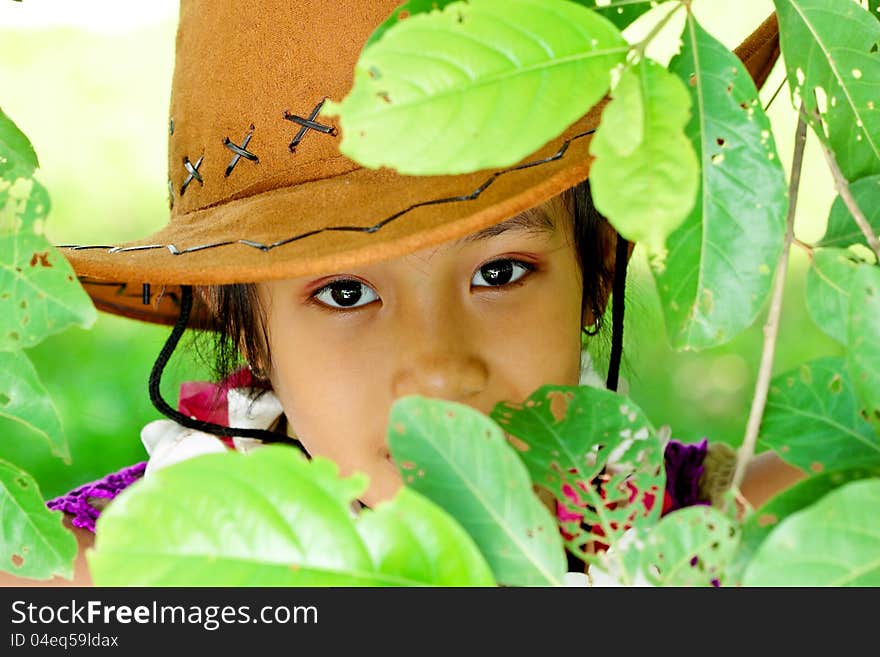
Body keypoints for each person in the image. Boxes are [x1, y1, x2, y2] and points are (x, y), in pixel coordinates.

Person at [6, 0, 804, 586]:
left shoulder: (717, 539)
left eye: (499, 273)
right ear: (246, 329)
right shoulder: (106, 577)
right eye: (346, 291)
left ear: (596, 271)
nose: (437, 368)